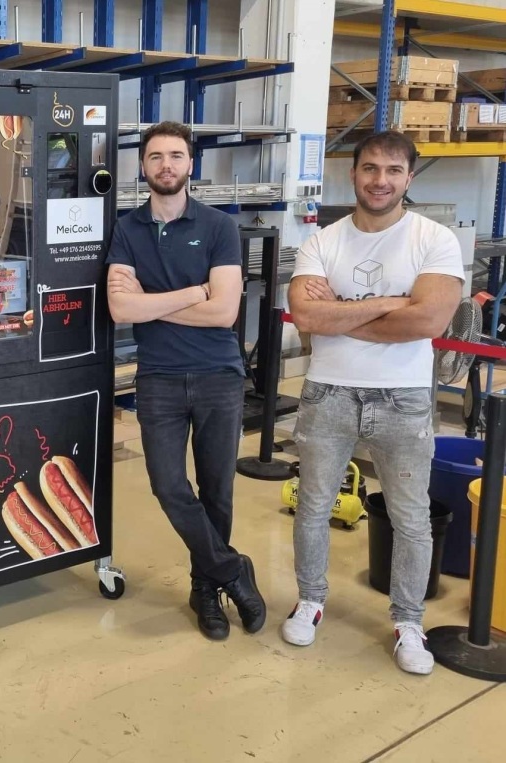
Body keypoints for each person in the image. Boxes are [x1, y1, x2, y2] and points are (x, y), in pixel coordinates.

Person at [284, 131, 463, 674]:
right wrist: (392, 304)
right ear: (353, 174)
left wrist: (341, 312)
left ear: (408, 177)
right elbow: (306, 316)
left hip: (404, 398)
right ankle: (310, 601)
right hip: (328, 392)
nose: (379, 180)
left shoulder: (435, 240)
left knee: (411, 517)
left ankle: (409, 622)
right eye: (369, 168)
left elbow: (429, 320)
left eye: (392, 170)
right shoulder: (321, 242)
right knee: (313, 506)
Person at [105, 121, 266, 641]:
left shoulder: (219, 226)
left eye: (176, 155)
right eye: (156, 157)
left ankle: (206, 589)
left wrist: (152, 303)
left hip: (219, 374)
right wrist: (195, 292)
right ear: (143, 166)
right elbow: (119, 308)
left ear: (190, 164)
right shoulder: (127, 229)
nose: (166, 165)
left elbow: (224, 313)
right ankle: (232, 569)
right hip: (159, 379)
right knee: (168, 485)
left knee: (217, 489)